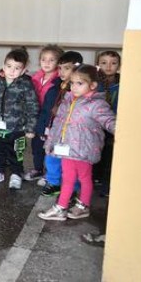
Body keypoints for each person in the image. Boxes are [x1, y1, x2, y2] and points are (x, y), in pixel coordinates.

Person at [38, 65, 116, 221]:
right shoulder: (67, 100)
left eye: (80, 83)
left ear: (92, 85)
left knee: (84, 178)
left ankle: (74, 206)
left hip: (83, 151)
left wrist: (123, 131)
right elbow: (58, 124)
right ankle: (68, 206)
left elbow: (109, 121)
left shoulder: (96, 104)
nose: (74, 87)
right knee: (68, 178)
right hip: (67, 149)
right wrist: (50, 143)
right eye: (72, 83)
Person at [0, 48, 39, 189]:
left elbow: (32, 107)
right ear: (4, 66)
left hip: (17, 128)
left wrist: (30, 128)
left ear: (23, 70)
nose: (12, 71)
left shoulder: (26, 85)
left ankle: (16, 173)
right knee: (0, 151)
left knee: (16, 153)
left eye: (17, 68)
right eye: (9, 66)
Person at [37, 51, 84, 196]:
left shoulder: (80, 90)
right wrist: (42, 127)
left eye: (67, 68)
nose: (62, 72)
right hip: (54, 131)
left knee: (70, 162)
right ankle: (54, 183)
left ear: (77, 69)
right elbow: (46, 109)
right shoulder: (55, 87)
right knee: (51, 158)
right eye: (60, 68)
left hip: (71, 133)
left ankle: (74, 188)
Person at [25, 45, 64, 182]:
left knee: (50, 147)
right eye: (43, 59)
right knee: (36, 146)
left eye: (51, 60)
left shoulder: (59, 81)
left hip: (50, 119)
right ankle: (38, 169)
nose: (46, 63)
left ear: (59, 63)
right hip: (36, 116)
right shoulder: (36, 77)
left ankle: (50, 174)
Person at [94, 50, 120, 196]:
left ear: (119, 65)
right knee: (96, 150)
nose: (109, 66)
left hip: (114, 124)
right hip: (97, 125)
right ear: (98, 64)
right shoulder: (95, 83)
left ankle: (107, 184)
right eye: (104, 63)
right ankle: (95, 177)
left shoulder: (123, 83)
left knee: (110, 154)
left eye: (113, 63)